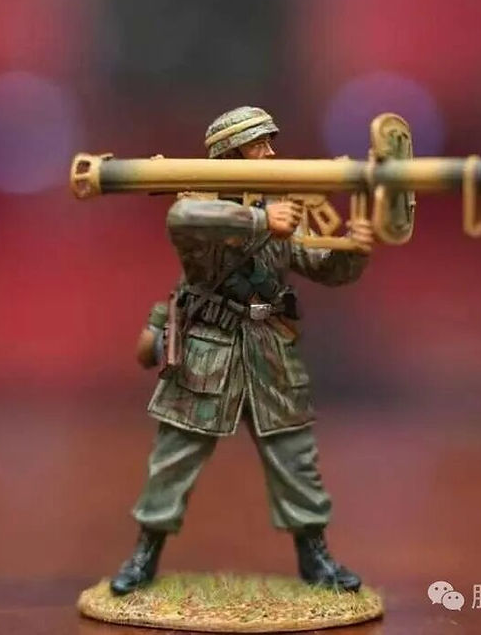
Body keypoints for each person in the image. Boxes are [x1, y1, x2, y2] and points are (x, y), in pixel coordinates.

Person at [110, 105, 373, 595]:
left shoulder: (280, 208)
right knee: (174, 458)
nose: (270, 153)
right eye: (258, 145)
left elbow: (321, 264)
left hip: (269, 350)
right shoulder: (200, 206)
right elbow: (185, 219)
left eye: (270, 142)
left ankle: (314, 555)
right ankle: (145, 552)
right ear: (231, 155)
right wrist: (260, 219)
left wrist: (353, 250)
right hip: (206, 352)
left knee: (295, 457)